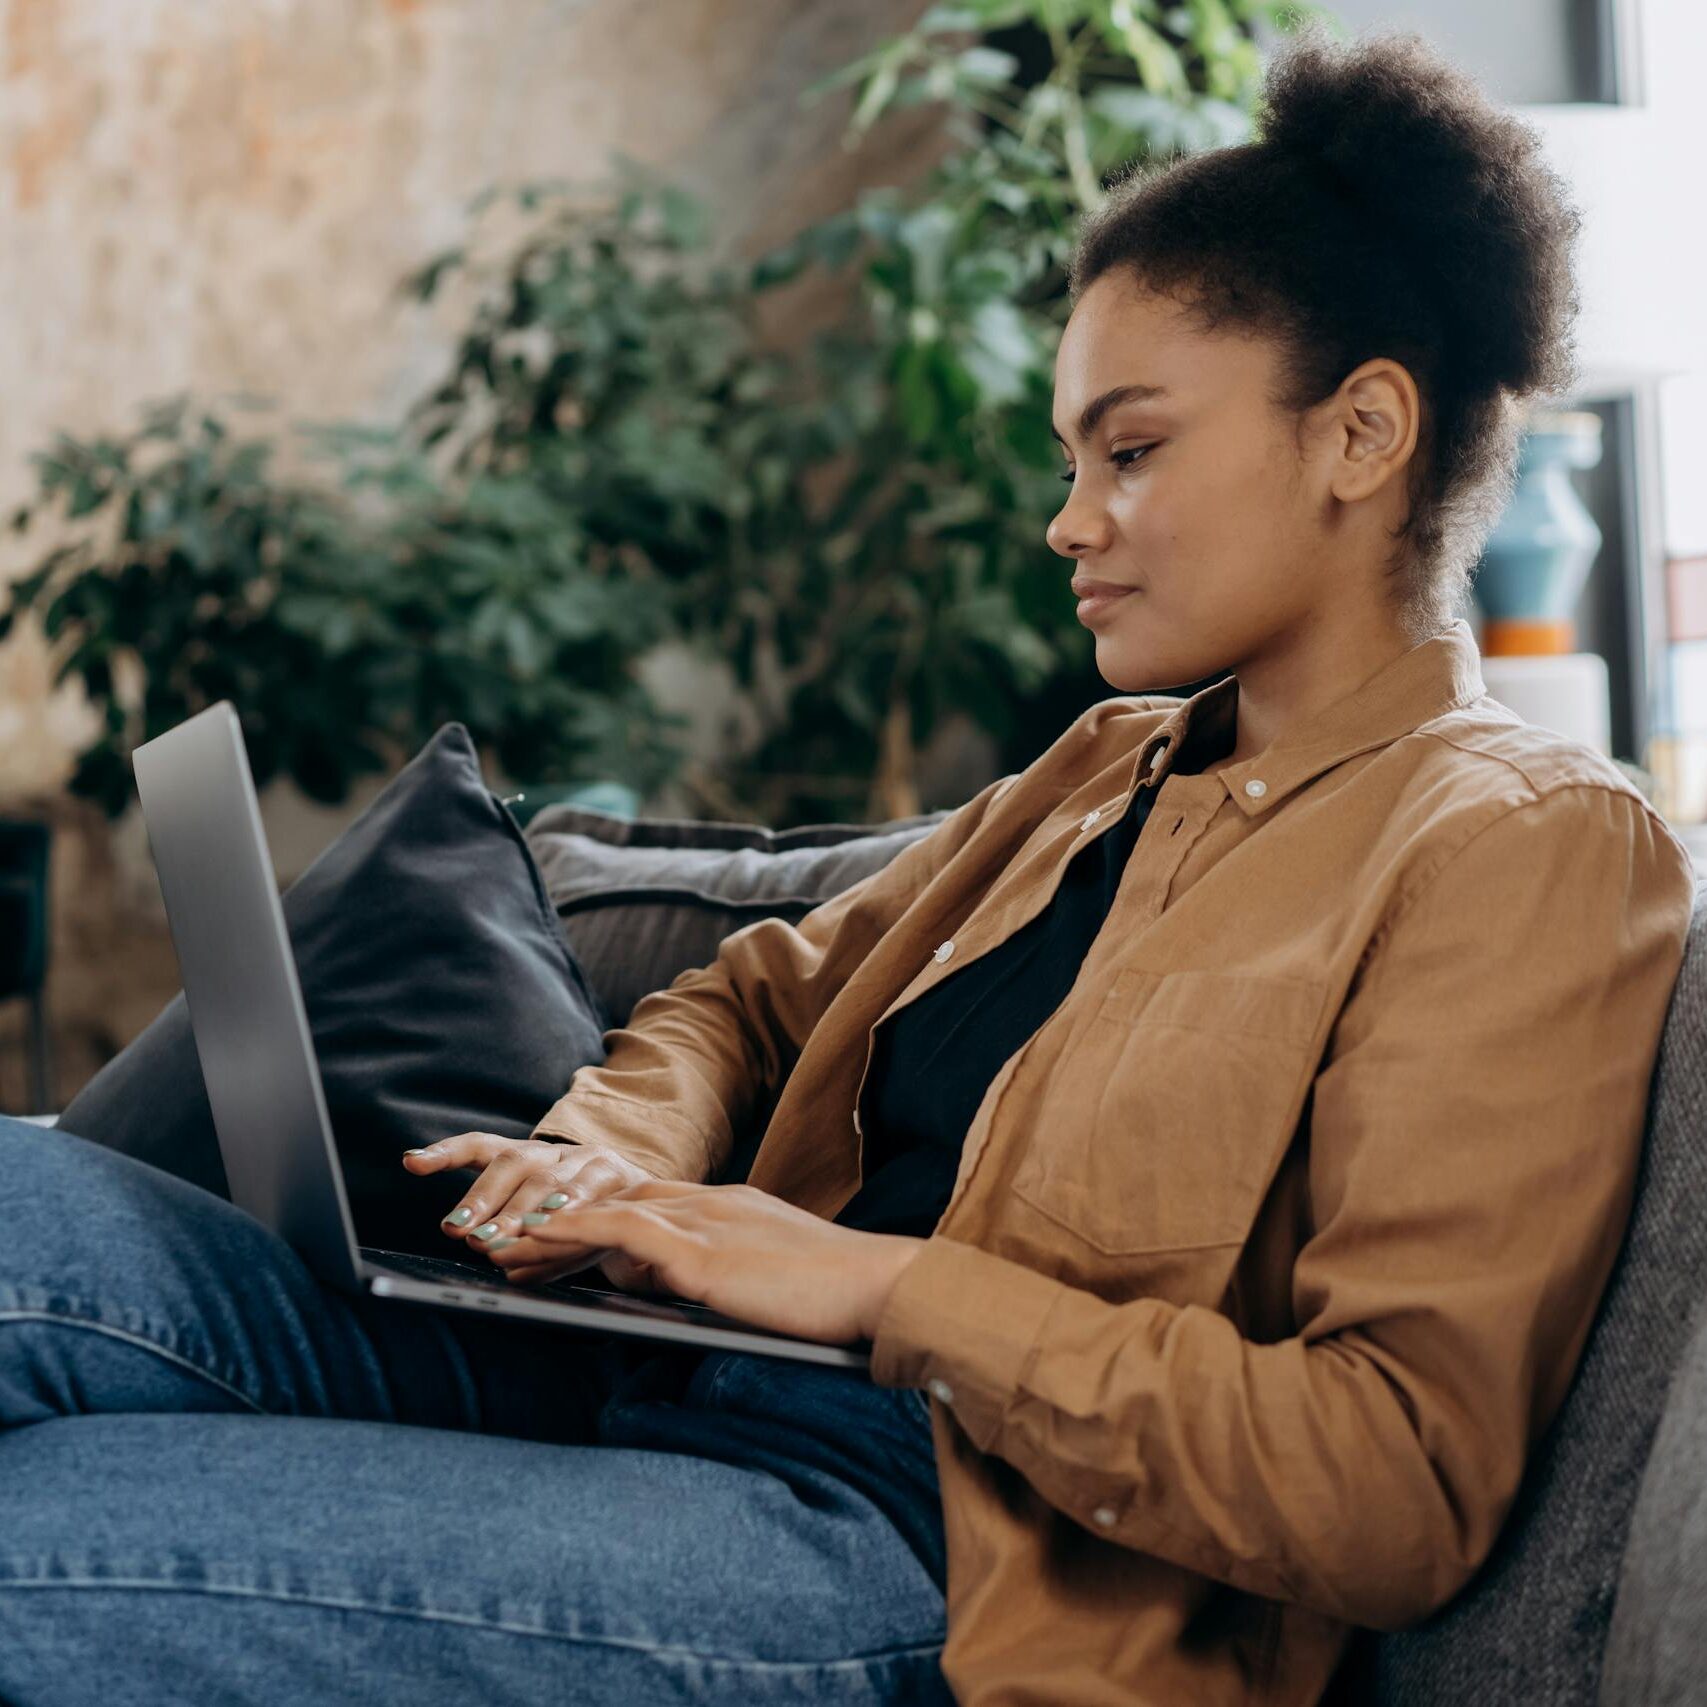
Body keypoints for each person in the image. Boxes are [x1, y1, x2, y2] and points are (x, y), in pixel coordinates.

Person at [1, 24, 1697, 1707]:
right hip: (648, 1384)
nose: (1068, 521)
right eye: (1069, 462)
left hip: (924, 1551)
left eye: (1132, 449)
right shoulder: (1104, 773)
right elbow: (747, 995)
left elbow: (1393, 1482)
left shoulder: (1518, 844)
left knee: (39, 1545)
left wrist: (879, 1283)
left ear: (1363, 433)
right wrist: (607, 1153)